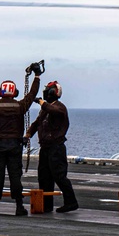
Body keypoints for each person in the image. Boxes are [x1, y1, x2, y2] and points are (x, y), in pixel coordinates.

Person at [0, 62, 41, 216]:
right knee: (15, 176)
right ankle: (19, 207)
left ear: (0, 92)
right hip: (15, 146)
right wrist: (37, 76)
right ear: (15, 93)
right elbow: (31, 94)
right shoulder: (21, 106)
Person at [26, 80, 79, 213]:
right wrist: (27, 136)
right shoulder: (45, 109)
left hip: (56, 147)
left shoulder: (60, 107)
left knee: (59, 176)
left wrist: (41, 103)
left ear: (53, 92)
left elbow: (52, 110)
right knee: (44, 177)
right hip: (45, 147)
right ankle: (46, 204)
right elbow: (37, 123)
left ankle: (71, 202)